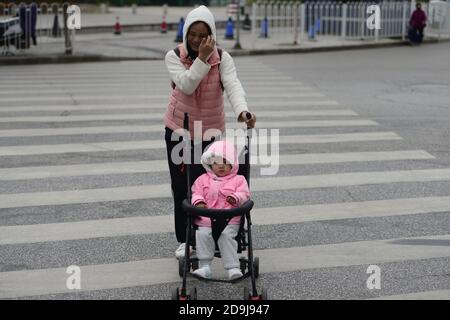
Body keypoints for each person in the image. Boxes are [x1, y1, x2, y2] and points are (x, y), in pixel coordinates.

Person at [164, 5, 256, 259]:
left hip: (211, 133)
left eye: (202, 35)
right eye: (192, 33)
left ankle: (211, 234)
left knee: (212, 184)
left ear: (211, 35)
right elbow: (186, 84)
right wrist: (203, 59)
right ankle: (186, 240)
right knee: (182, 187)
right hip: (179, 132)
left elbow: (233, 85)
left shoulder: (223, 58)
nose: (196, 40)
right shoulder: (173, 56)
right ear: (185, 33)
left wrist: (243, 111)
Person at [191, 140, 250, 280]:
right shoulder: (202, 179)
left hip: (230, 220)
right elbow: (196, 193)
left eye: (225, 162)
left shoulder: (239, 180)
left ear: (233, 164)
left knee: (226, 237)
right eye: (217, 163)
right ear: (211, 164)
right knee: (203, 235)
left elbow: (245, 194)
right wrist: (198, 202)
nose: (221, 166)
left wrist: (236, 197)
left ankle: (233, 267)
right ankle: (205, 266)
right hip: (206, 219)